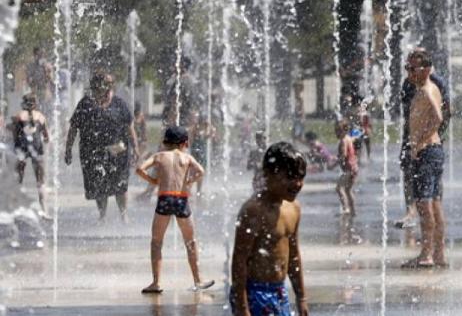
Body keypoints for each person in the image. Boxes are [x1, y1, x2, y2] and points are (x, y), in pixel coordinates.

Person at [230, 141, 308, 316]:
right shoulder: (254, 211)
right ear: (268, 174)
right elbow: (239, 261)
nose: (297, 183)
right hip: (254, 292)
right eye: (290, 177)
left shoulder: (294, 209)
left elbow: (294, 256)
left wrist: (301, 297)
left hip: (279, 291)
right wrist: (242, 306)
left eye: (301, 177)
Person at [134, 125, 214, 294]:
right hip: (181, 199)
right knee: (190, 242)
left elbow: (139, 169)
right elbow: (201, 171)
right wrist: (189, 181)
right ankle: (198, 280)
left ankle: (156, 282)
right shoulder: (187, 158)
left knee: (156, 242)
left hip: (164, 198)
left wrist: (153, 181)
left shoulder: (159, 156)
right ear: (185, 143)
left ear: (165, 142)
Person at [65, 70, 137, 221]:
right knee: (99, 185)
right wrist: (68, 149)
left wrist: (135, 148)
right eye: (97, 86)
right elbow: (73, 128)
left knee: (120, 184)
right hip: (93, 152)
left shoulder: (119, 103)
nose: (101, 89)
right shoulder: (85, 104)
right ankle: (102, 215)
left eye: (107, 85)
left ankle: (124, 215)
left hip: (117, 150)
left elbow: (129, 127)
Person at [402, 49, 447, 269]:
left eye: (413, 68)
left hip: (427, 151)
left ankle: (426, 253)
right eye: (407, 67)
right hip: (435, 150)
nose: (408, 72)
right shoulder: (431, 88)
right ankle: (439, 253)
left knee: (423, 203)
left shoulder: (426, 91)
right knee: (435, 203)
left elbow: (438, 118)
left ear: (426, 69)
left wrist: (420, 141)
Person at [10, 93, 49, 213]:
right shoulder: (41, 117)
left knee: (19, 178)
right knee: (40, 180)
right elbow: (47, 137)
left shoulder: (18, 116)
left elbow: (15, 134)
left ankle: (16, 206)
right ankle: (43, 206)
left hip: (22, 147)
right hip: (36, 147)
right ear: (35, 104)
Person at [163, 57, 200, 127]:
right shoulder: (191, 79)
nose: (174, 65)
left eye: (177, 63)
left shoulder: (183, 80)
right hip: (185, 112)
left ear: (182, 65)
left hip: (181, 112)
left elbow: (174, 99)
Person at [335, 121, 357, 218]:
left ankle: (346, 208)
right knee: (348, 190)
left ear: (343, 131)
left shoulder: (343, 140)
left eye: (338, 131)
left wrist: (334, 163)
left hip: (348, 169)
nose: (336, 133)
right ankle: (353, 210)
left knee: (339, 188)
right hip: (354, 168)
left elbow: (343, 155)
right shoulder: (349, 138)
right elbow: (354, 139)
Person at [25, 47, 55, 115]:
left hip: (46, 90)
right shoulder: (31, 66)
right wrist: (32, 85)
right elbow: (29, 79)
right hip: (36, 90)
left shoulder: (47, 65)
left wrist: (47, 70)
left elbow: (51, 78)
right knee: (37, 109)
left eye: (41, 54)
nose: (39, 56)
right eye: (37, 54)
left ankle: (46, 122)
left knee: (46, 109)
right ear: (34, 55)